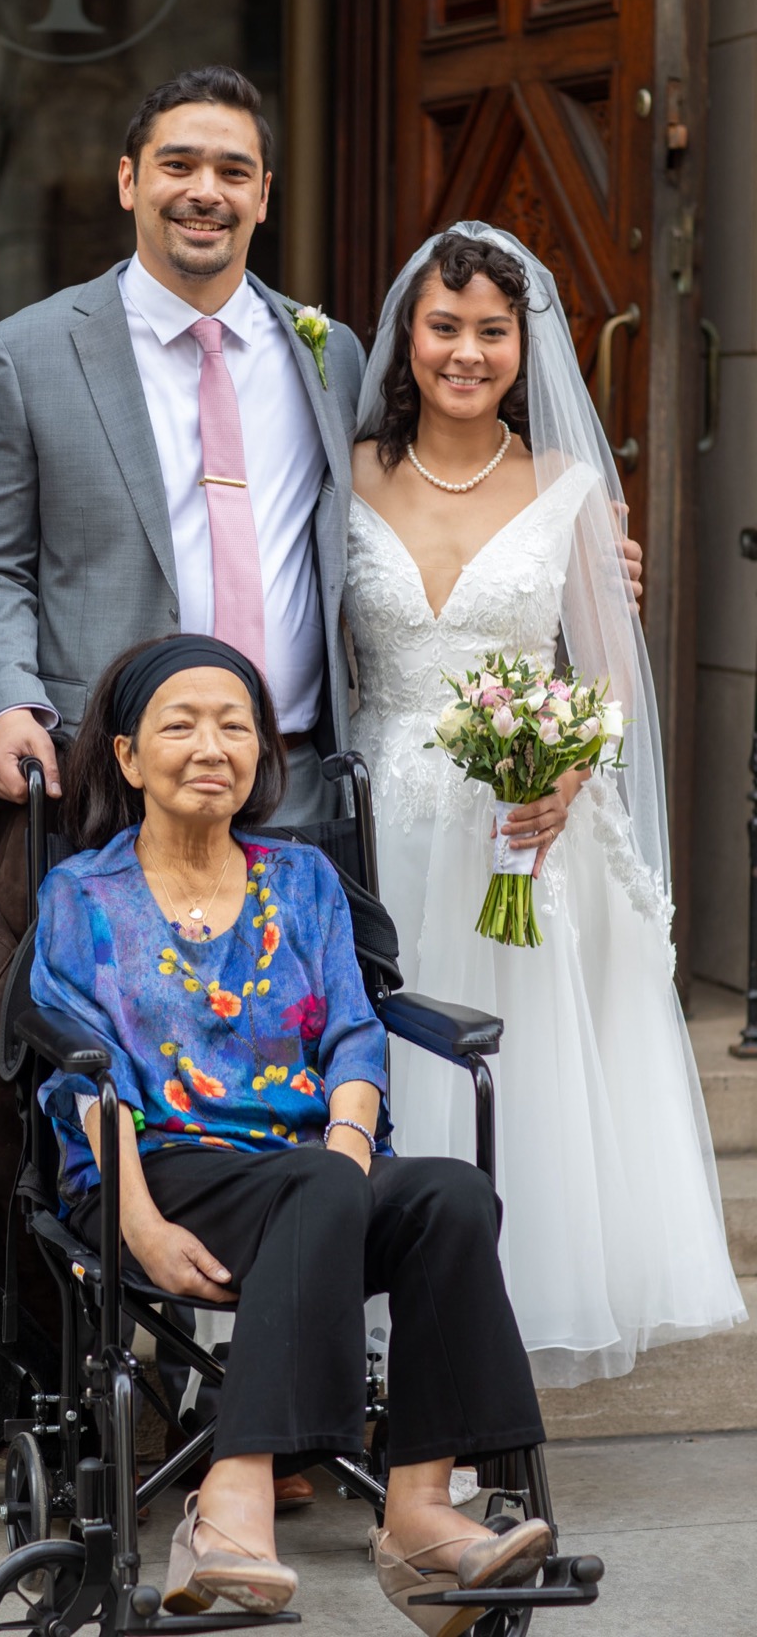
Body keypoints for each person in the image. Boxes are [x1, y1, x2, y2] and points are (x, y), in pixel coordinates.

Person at [30, 633, 552, 1629]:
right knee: (319, 1184)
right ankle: (228, 1503)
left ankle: (421, 1512)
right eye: (180, 725)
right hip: (159, 1170)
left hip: (312, 1179)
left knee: (449, 1193)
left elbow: (356, 1036)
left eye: (235, 726)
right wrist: (135, 1223)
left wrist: (350, 1155)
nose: (211, 745)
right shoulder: (83, 898)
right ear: (130, 758)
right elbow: (79, 1080)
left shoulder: (304, 880)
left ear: (264, 756)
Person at [345, 223, 745, 1387]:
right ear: (404, 337)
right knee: (385, 1071)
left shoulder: (568, 487)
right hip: (379, 829)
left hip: (518, 833)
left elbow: (609, 676)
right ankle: (367, 1340)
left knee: (511, 1086)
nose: (465, 353)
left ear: (526, 348)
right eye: (444, 327)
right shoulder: (347, 472)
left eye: (492, 333)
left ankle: (476, 1358)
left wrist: (566, 774)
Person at [0, 64, 367, 830]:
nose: (205, 191)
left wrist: (568, 542)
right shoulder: (25, 355)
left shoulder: (331, 357)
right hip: (107, 785)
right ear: (127, 181)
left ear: (264, 195)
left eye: (232, 172)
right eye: (177, 165)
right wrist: (8, 702)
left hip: (296, 785)